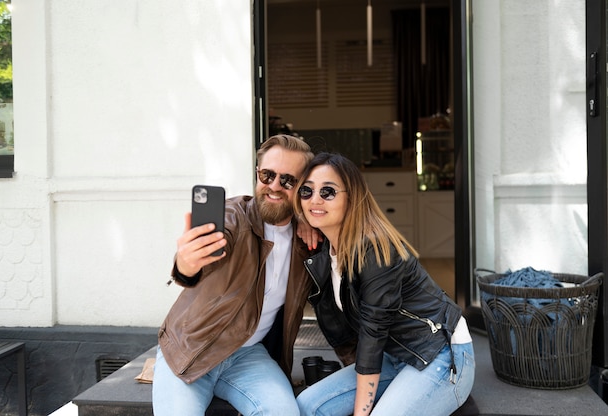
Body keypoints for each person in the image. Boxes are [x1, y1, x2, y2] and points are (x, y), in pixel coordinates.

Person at [294, 152, 475, 416]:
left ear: (352, 197)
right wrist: (300, 218)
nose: (315, 199)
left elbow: (372, 334)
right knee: (306, 406)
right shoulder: (324, 249)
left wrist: (361, 412)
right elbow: (272, 203)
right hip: (394, 356)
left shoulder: (377, 251)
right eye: (307, 191)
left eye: (328, 192)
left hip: (439, 354)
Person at [153, 134, 315, 416]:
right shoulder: (233, 216)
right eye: (267, 175)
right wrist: (186, 263)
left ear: (303, 187)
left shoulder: (307, 239)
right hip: (192, 348)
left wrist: (308, 221)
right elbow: (200, 259)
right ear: (257, 174)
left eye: (288, 180)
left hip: (248, 356)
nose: (274, 186)